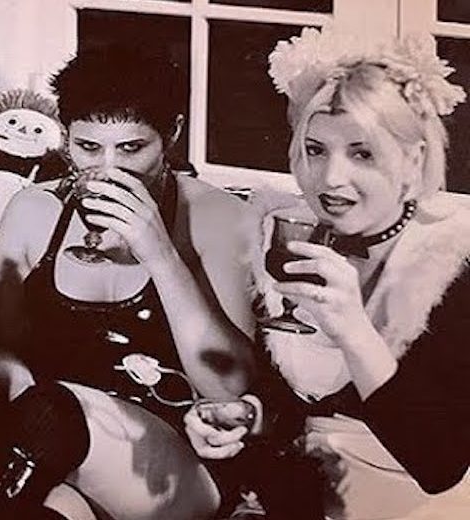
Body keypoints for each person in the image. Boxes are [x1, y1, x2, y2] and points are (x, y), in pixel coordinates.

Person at [184, 27, 470, 519]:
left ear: (413, 159)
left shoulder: (454, 260)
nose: (331, 179)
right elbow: (293, 405)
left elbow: (439, 464)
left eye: (362, 153)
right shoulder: (286, 236)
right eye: (315, 150)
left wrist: (353, 331)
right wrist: (249, 415)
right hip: (306, 497)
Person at [0, 44, 258, 519]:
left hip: (176, 462)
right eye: (87, 147)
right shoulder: (34, 210)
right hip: (48, 445)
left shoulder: (219, 216)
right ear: (66, 138)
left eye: (132, 148)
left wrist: (159, 252)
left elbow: (228, 386)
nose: (108, 169)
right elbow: (6, 352)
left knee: (51, 410)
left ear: (172, 134)